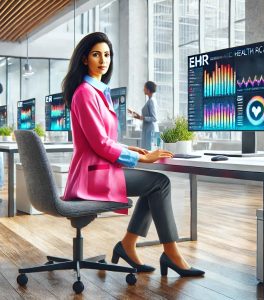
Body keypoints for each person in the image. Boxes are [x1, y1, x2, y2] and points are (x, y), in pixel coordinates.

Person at [62, 32, 204, 277]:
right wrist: (141, 158)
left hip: (97, 170)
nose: (103, 60)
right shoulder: (85, 93)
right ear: (84, 59)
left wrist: (130, 149)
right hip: (91, 176)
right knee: (159, 183)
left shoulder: (96, 92)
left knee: (154, 185)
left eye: (106, 55)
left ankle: (128, 245)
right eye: (96, 54)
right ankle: (170, 253)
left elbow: (104, 140)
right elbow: (99, 144)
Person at [128, 81, 159, 150]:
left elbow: (154, 118)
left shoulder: (151, 101)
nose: (143, 89)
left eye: (144, 88)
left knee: (149, 151)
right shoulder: (151, 100)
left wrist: (141, 117)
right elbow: (144, 116)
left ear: (148, 90)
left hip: (151, 131)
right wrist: (134, 114)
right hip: (149, 130)